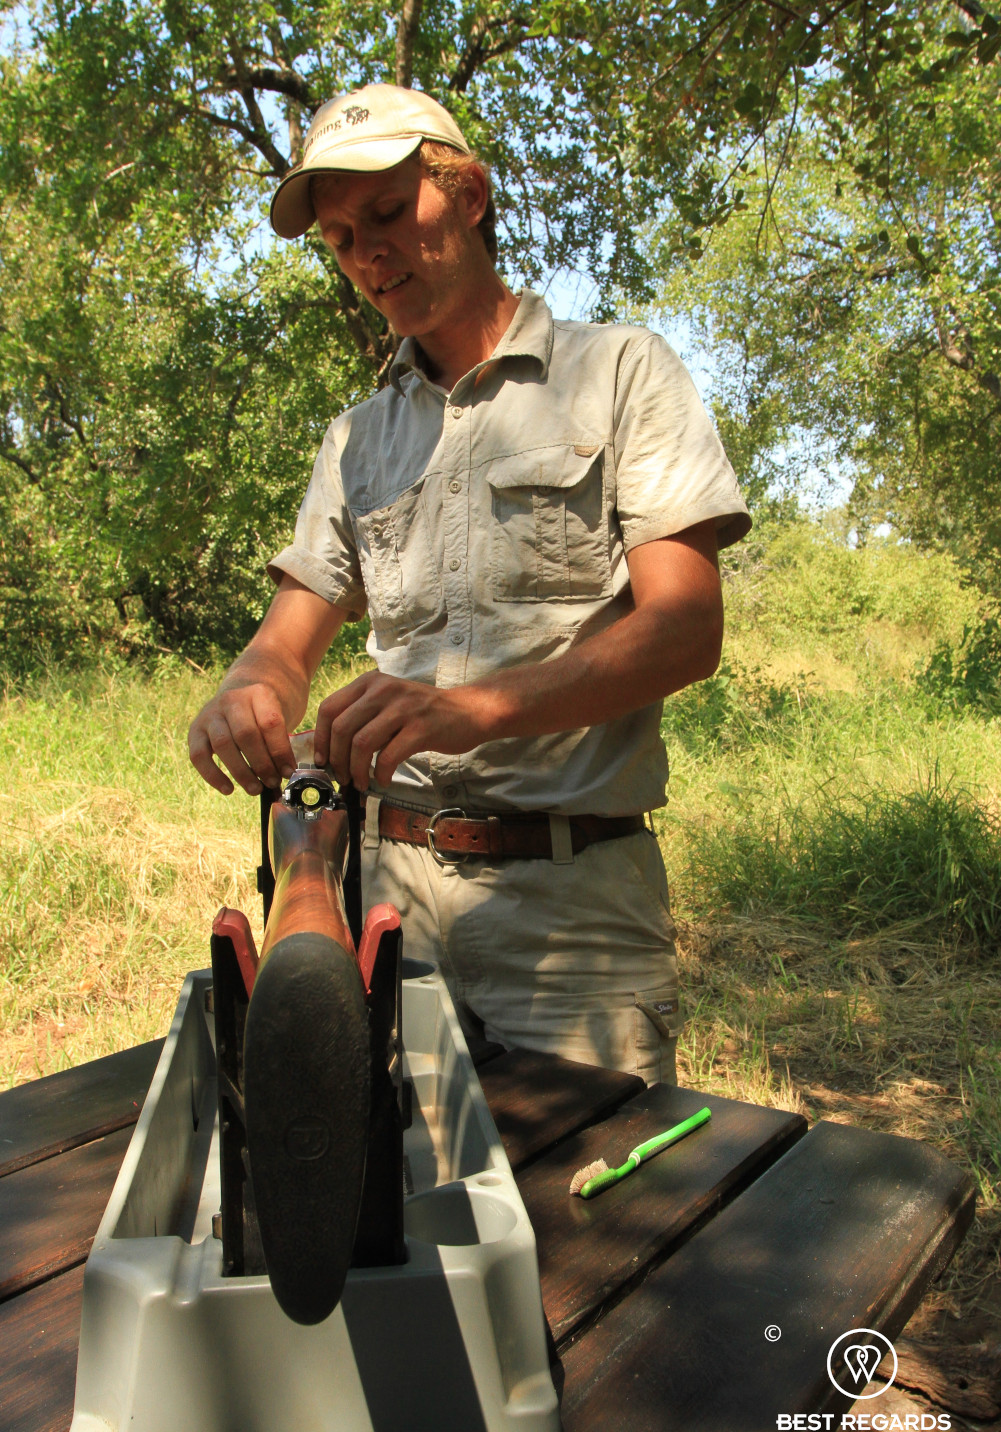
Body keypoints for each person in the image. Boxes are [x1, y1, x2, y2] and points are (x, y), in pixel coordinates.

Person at [188, 82, 751, 1086]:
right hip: (384, 901)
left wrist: (470, 709)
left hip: (569, 917)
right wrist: (246, 698)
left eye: (391, 213)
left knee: (594, 1231)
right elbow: (285, 641)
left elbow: (683, 629)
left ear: (471, 193)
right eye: (340, 235)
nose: (367, 253)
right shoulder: (356, 438)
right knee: (385, 1209)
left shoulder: (620, 372)